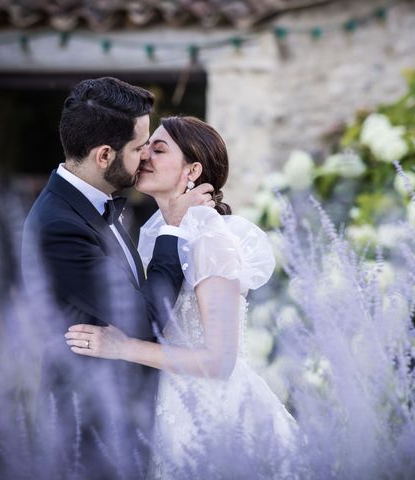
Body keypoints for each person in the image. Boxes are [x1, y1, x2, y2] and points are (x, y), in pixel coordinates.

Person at [65, 116, 305, 478]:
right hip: (168, 406)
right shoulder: (163, 234)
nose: (145, 156)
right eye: (145, 147)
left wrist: (122, 347)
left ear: (192, 169)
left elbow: (219, 362)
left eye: (158, 149)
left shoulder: (210, 238)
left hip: (212, 414)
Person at [21, 78, 214, 478]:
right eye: (140, 146)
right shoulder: (59, 225)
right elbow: (145, 317)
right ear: (104, 154)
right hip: (91, 431)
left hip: (128, 418)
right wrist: (173, 227)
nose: (146, 156)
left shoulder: (93, 202)